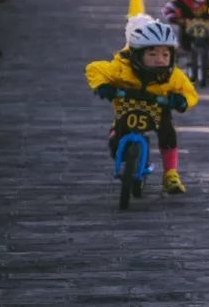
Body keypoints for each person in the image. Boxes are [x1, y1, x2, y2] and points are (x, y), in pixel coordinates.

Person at [85, 16, 199, 194]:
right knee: (115, 145)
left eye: (165, 54)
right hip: (127, 108)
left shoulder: (172, 75)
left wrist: (181, 100)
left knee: (167, 132)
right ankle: (118, 141)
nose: (160, 59)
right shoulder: (123, 67)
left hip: (157, 109)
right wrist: (102, 86)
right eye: (152, 54)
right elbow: (95, 69)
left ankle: (170, 174)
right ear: (137, 55)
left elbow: (189, 92)